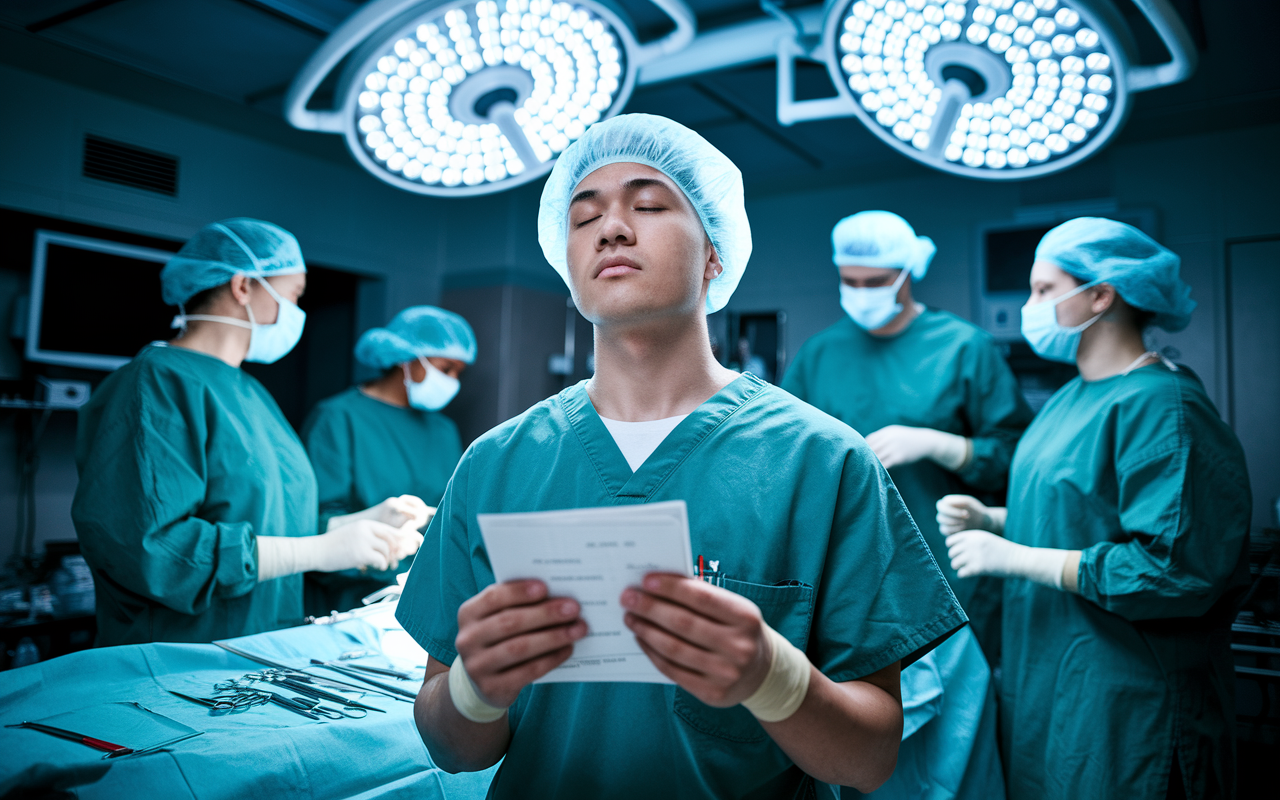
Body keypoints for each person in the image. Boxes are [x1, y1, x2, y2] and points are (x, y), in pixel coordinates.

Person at [395, 114, 966, 797]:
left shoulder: (822, 464)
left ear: (714, 255)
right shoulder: (495, 465)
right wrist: (474, 690)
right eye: (583, 218)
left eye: (648, 204)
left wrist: (771, 678)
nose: (610, 227)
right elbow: (449, 746)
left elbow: (869, 759)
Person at [940, 218, 1252, 800]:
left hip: (1127, 704)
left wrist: (1013, 558)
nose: (1029, 307)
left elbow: (1173, 570)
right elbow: (1077, 515)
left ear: (1101, 295)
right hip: (1051, 688)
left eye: (1043, 290)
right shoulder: (1070, 398)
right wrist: (994, 521)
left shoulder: (1166, 407)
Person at [72, 218, 424, 646]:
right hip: (175, 656)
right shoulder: (155, 385)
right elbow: (150, 549)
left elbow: (270, 519)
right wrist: (317, 552)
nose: (296, 312)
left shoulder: (249, 391)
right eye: (294, 295)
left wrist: (358, 523)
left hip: (259, 647)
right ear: (243, 287)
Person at [781, 210, 1032, 655]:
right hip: (851, 569)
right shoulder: (819, 354)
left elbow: (1017, 461)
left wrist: (945, 447)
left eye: (875, 281)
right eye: (849, 281)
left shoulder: (963, 347)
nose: (860, 293)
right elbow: (786, 461)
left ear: (907, 273)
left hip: (946, 571)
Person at [301, 306, 475, 616]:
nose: (452, 381)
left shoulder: (442, 430)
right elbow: (314, 523)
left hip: (425, 595)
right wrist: (381, 554)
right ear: (407, 357)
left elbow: (448, 515)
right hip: (350, 599)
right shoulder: (338, 418)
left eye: (459, 373)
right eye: (446, 368)